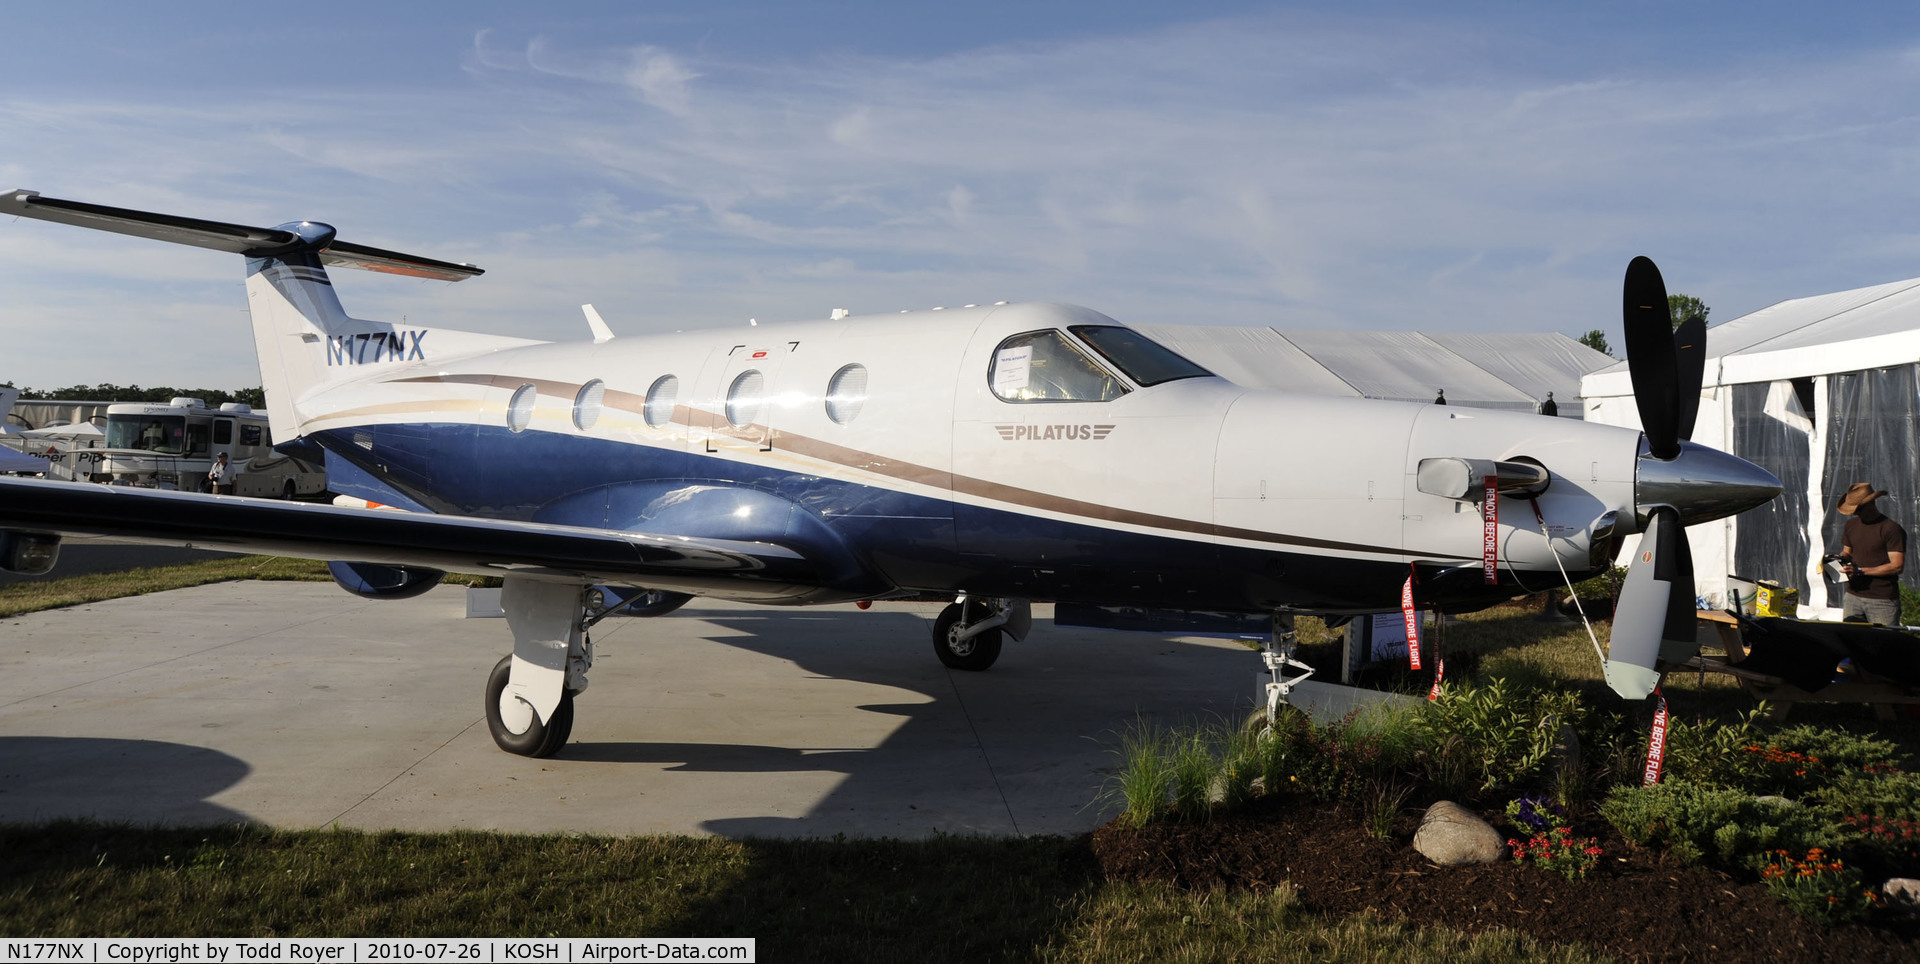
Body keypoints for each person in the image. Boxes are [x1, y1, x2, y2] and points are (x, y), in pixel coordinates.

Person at [1837, 482, 1906, 626]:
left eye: (1859, 509)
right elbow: (1847, 551)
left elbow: (1897, 566)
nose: (1856, 513)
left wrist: (1861, 571)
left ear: (1871, 503)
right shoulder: (1851, 525)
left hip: (1882, 600)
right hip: (1853, 596)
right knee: (1850, 643)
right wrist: (1836, 560)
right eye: (1854, 510)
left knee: (1882, 643)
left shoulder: (1891, 529)